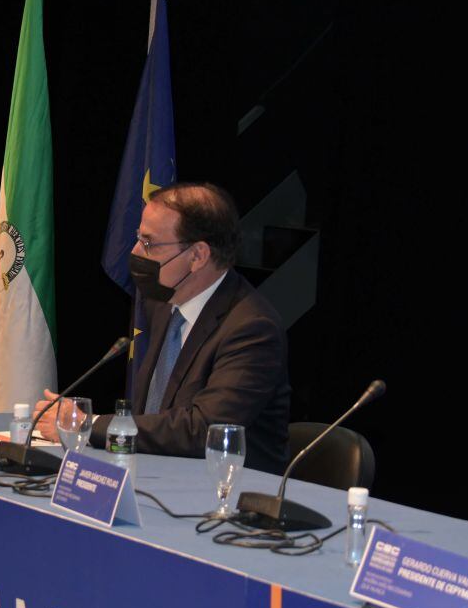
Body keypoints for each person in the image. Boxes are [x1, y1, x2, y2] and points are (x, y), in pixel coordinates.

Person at [34, 182, 290, 473]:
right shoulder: (161, 302)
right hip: (156, 476)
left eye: (149, 243)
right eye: (138, 238)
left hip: (230, 495)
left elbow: (203, 430)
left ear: (197, 256)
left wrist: (89, 425)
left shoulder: (252, 328)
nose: (134, 252)